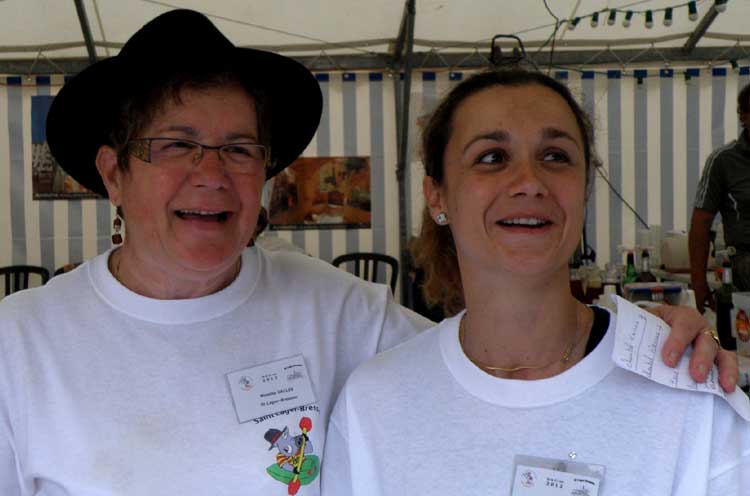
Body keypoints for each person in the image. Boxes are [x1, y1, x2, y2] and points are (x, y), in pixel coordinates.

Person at [0, 11, 734, 495]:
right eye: (177, 145)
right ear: (113, 172)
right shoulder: (21, 343)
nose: (211, 173)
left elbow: (499, 360)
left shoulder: (335, 310)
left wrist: (639, 336)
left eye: (239, 148)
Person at [322, 70, 749, 495]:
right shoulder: (372, 405)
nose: (529, 182)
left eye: (555, 156)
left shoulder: (693, 399)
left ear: (584, 186)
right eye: (492, 157)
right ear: (437, 195)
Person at [690, 83, 750, 315]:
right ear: (743, 116)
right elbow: (700, 223)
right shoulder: (723, 161)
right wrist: (698, 284)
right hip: (744, 277)